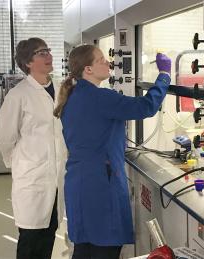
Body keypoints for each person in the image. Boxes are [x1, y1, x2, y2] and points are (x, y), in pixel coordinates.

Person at [54, 45, 171, 259]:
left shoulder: (72, 97)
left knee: (83, 249)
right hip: (100, 185)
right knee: (104, 250)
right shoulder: (101, 98)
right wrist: (164, 77)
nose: (108, 62)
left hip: (79, 182)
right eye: (101, 60)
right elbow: (146, 106)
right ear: (88, 69)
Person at [0, 37, 67, 259]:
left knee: (49, 234)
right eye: (41, 53)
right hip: (32, 178)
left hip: (57, 178)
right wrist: (21, 165)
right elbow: (5, 138)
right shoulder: (18, 95)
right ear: (28, 62)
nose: (48, 55)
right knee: (30, 240)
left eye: (48, 50)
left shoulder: (61, 90)